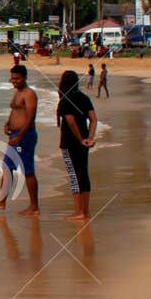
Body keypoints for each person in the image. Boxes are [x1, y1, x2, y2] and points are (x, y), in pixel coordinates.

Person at [0, 64, 39, 216]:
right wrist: (8, 123)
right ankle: (1, 202)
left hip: (24, 136)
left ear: (25, 78)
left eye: (17, 79)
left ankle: (34, 207)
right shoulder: (17, 92)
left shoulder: (29, 94)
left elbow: (31, 117)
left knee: (28, 170)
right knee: (7, 167)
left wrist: (20, 136)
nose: (14, 81)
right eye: (12, 78)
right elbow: (15, 111)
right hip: (15, 135)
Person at [56, 70, 96, 222]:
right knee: (83, 173)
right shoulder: (84, 98)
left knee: (74, 176)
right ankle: (86, 211)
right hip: (84, 142)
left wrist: (79, 139)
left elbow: (71, 122)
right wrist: (89, 138)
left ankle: (79, 212)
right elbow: (93, 119)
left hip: (69, 143)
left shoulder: (65, 100)